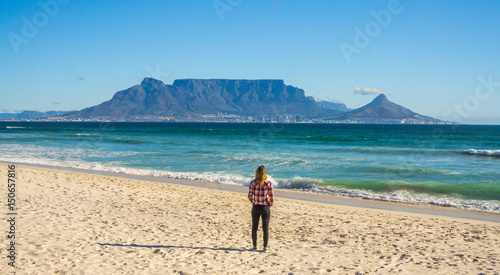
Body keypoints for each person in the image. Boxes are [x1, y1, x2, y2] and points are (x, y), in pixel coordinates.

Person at [248, 165, 274, 253]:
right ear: (264, 173)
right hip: (265, 207)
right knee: (265, 228)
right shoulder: (268, 183)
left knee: (254, 227)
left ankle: (254, 246)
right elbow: (271, 196)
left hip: (256, 206)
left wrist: (253, 201)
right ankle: (265, 247)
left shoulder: (253, 183)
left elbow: (250, 196)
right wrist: (270, 204)